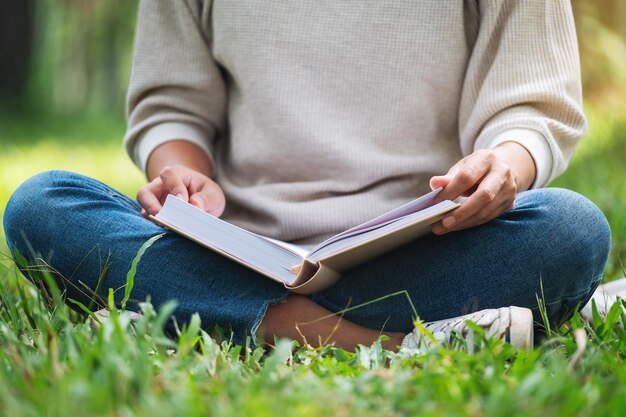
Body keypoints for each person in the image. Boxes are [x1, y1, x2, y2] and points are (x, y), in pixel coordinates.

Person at [3, 1, 612, 351]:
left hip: (427, 244)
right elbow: (173, 108)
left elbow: (531, 107)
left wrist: (503, 166)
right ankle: (383, 343)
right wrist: (182, 175)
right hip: (235, 251)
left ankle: (222, 316)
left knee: (572, 229)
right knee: (43, 205)